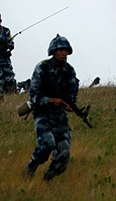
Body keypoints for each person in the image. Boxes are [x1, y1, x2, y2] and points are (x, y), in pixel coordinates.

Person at [23, 35, 79, 182]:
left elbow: (72, 93)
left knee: (64, 151)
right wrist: (51, 100)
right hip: (42, 114)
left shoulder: (69, 71)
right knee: (47, 144)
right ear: (53, 51)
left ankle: (48, 179)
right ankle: (33, 164)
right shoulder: (42, 68)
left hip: (59, 115)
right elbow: (33, 96)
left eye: (66, 50)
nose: (64, 53)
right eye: (60, 50)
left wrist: (70, 105)